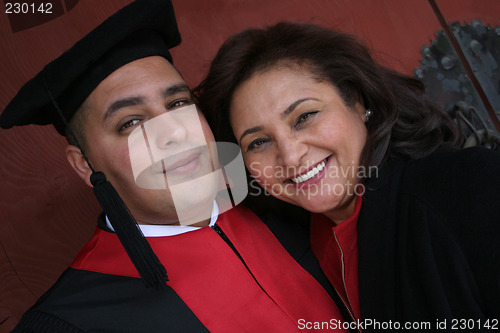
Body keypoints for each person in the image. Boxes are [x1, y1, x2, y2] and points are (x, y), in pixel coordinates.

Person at [0, 4, 353, 332]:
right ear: (83, 165)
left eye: (179, 103)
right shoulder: (68, 320)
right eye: (130, 122)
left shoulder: (286, 202)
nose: (174, 131)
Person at [195, 22, 500, 330]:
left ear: (356, 100)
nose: (289, 155)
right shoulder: (297, 245)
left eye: (304, 116)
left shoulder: (469, 185)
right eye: (258, 142)